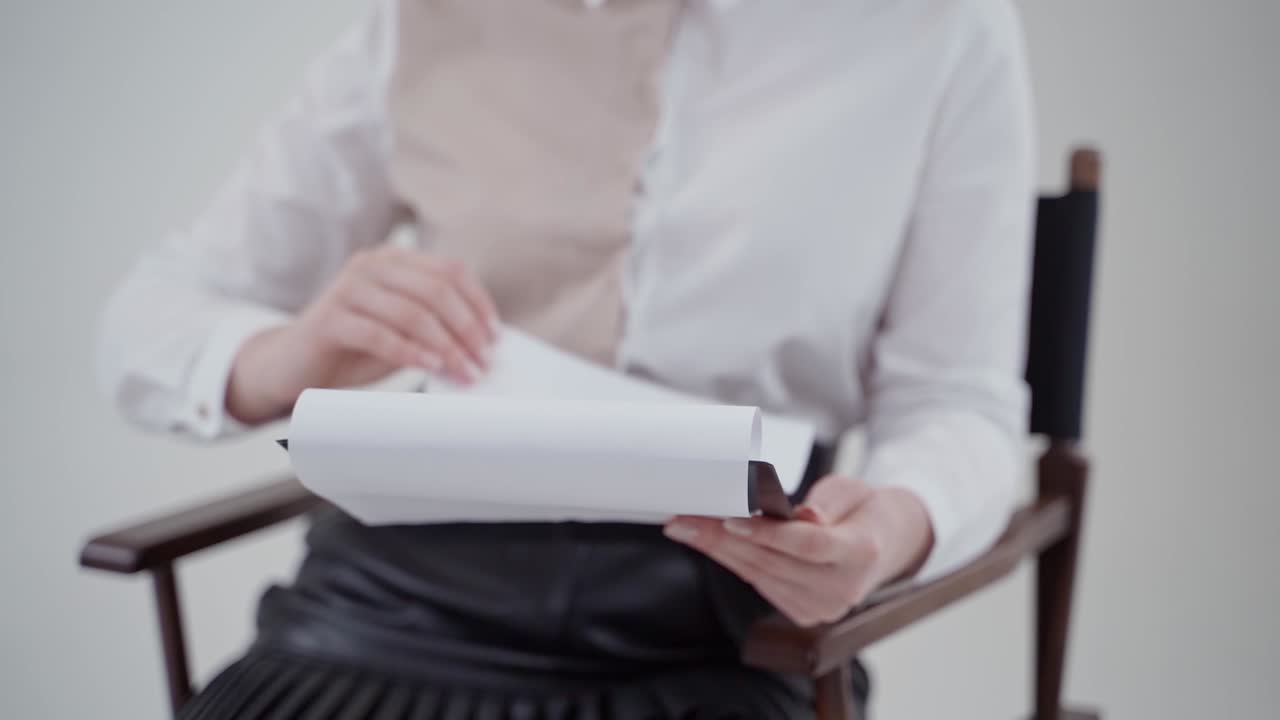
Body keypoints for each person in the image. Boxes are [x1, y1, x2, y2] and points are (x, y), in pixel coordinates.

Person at [97, 0, 1035, 717]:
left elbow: (959, 402)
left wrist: (894, 529)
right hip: (378, 618)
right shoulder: (425, 20)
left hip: (725, 639)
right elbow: (149, 322)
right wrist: (290, 355)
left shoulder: (931, 29)